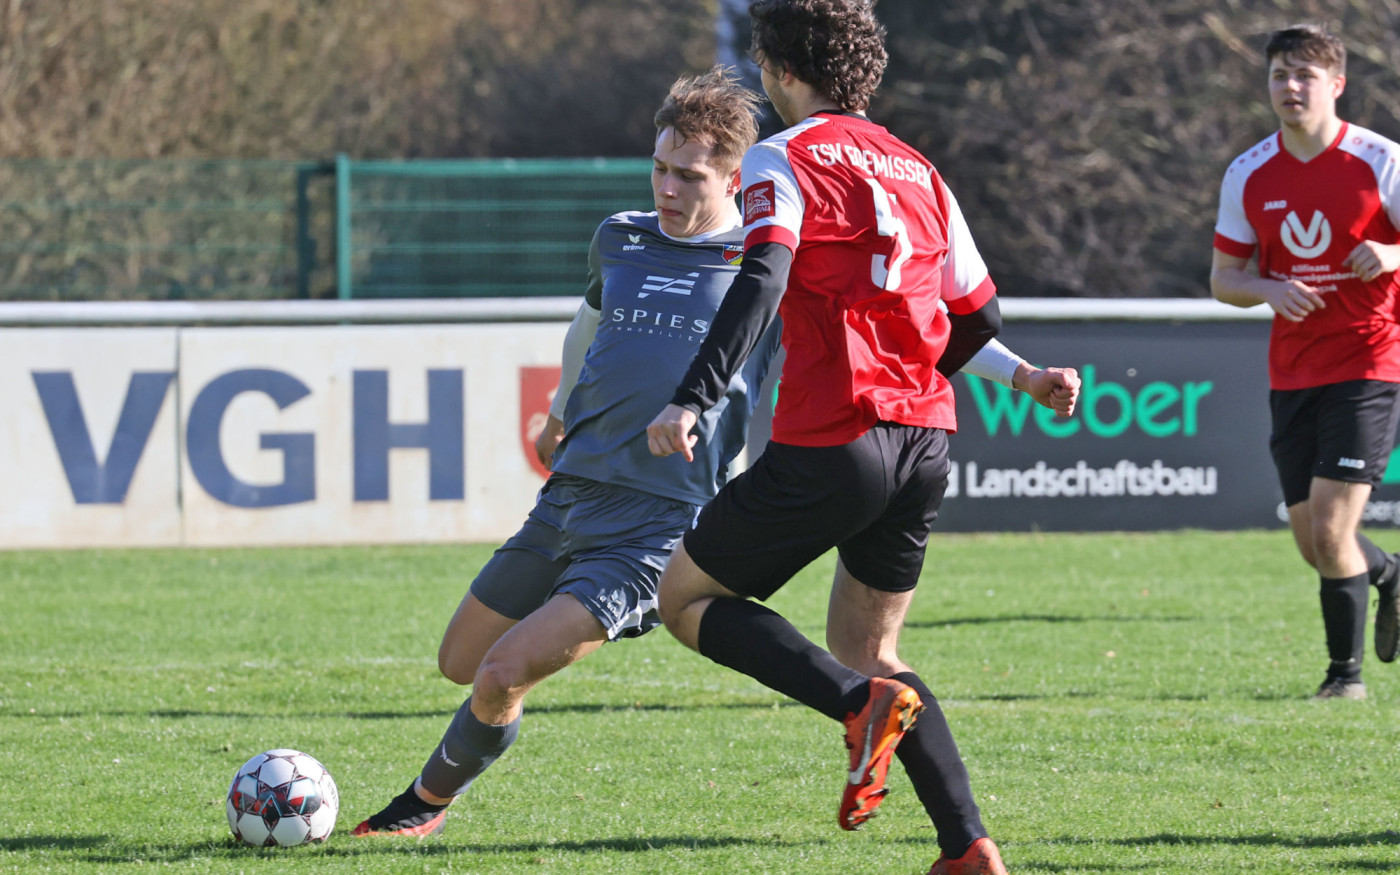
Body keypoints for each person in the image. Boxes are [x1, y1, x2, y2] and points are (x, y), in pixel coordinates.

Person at [353, 65, 1073, 842]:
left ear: (734, 178)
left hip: (654, 527)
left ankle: (420, 806)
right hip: (566, 496)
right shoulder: (619, 236)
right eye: (660, 168)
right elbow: (587, 329)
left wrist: (1021, 372)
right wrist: (559, 411)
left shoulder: (767, 258)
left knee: (501, 669)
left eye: (689, 175)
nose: (668, 187)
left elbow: (917, 315)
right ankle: (479, 737)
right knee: (464, 663)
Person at [646, 3, 1078, 873]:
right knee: (874, 647)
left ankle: (855, 704)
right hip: (924, 440)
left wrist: (691, 398)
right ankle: (968, 847)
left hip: (835, 435)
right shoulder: (921, 169)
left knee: (683, 602)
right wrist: (1023, 375)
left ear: (775, 68)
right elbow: (972, 314)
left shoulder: (782, 157)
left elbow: (764, 275)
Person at [1211, 23, 1400, 701]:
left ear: (1337, 84)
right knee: (1312, 543)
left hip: (1371, 358)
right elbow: (1224, 278)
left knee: (1331, 528)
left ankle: (1342, 679)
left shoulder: (1382, 162)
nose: (1290, 88)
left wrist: (1391, 253)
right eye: (1279, 76)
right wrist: (1266, 286)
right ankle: (1389, 573)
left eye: (1305, 76)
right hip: (1293, 370)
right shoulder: (1249, 172)